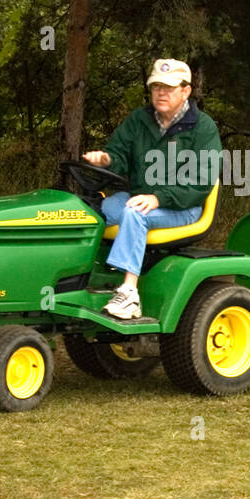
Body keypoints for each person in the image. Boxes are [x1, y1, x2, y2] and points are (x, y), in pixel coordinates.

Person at [82, 58, 221, 319]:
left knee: (135, 212)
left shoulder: (203, 128)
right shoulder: (139, 120)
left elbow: (201, 181)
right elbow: (119, 153)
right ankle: (81, 280)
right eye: (157, 86)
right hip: (140, 196)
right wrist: (107, 159)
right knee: (86, 211)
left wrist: (159, 198)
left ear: (186, 91)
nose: (161, 92)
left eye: (169, 87)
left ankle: (129, 294)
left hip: (183, 206)